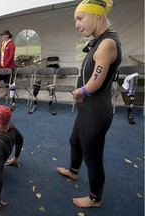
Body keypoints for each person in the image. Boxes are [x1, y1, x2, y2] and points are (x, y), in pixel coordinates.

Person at [57, 0, 122, 208]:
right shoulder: (99, 39)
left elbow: (96, 80)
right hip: (87, 108)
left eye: (79, 18)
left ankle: (95, 198)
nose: (76, 24)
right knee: (74, 141)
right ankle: (74, 171)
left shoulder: (107, 43)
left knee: (93, 157)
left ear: (98, 16)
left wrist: (80, 90)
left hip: (96, 110)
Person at [0, 30, 15, 97]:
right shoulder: (2, 43)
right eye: (2, 35)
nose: (2, 36)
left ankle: (12, 94)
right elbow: (1, 53)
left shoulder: (11, 43)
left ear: (8, 35)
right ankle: (6, 92)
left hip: (9, 66)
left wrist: (6, 63)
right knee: (4, 80)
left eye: (4, 35)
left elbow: (11, 55)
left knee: (10, 80)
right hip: (2, 65)